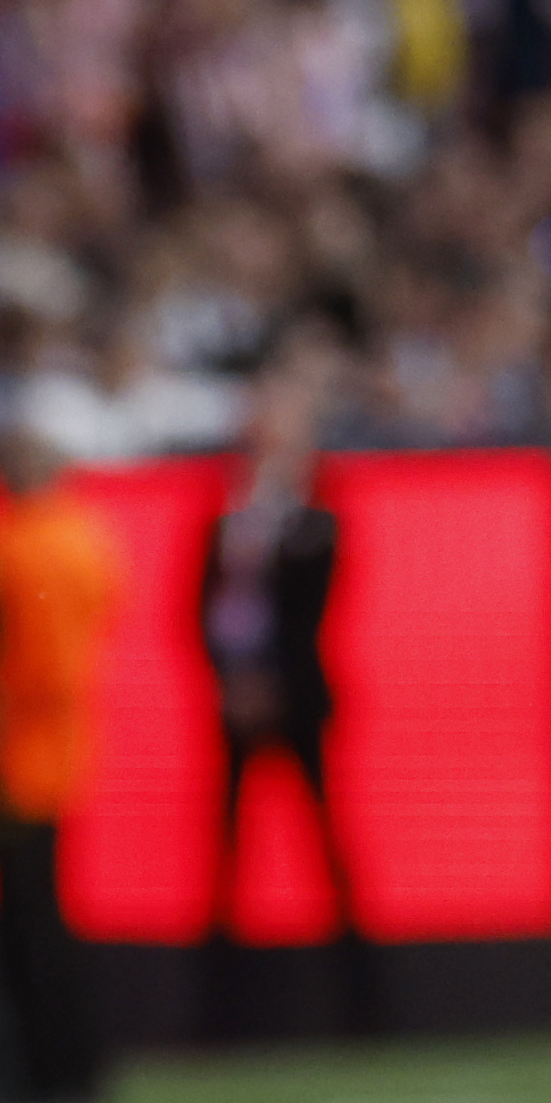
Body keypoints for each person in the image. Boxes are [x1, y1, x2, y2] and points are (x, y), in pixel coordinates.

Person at [0, 412, 120, 1103]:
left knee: (23, 919)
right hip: (62, 745)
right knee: (47, 912)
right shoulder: (87, 537)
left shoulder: (4, 543)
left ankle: (38, 1068)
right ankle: (69, 1065)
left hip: (13, 749)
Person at [199, 370, 358, 980]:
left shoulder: (314, 520)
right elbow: (200, 609)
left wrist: (270, 682)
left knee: (326, 834)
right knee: (226, 845)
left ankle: (355, 978)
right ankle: (223, 977)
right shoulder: (227, 519)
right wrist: (232, 680)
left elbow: (308, 610)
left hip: (296, 697)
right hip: (236, 696)